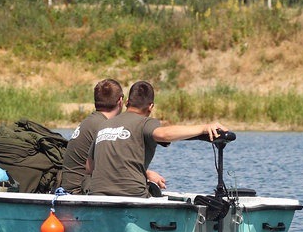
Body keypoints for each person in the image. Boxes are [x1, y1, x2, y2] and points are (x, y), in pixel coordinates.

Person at [86, 80, 228, 197]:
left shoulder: (104, 125)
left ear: (128, 101)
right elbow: (164, 135)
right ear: (151, 107)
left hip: (97, 195)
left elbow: (90, 167)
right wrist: (204, 128)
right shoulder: (145, 122)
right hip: (132, 195)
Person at [58, 80, 167, 194]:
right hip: (79, 190)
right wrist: (147, 174)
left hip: (72, 187)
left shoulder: (92, 121)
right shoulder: (103, 127)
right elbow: (117, 164)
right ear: (121, 101)